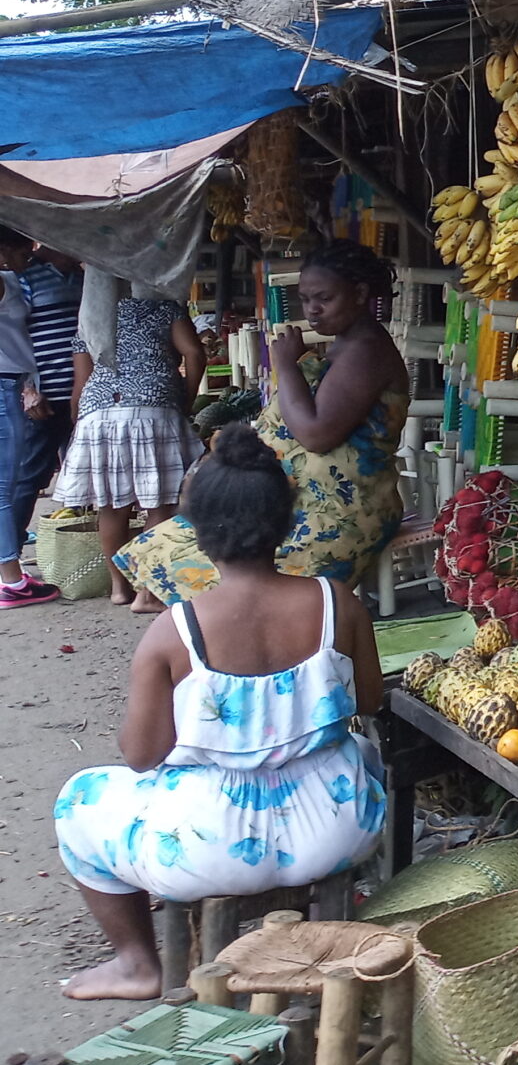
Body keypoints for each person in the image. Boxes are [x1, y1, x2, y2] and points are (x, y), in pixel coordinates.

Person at [52, 423, 386, 1000]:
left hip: (209, 847)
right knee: (357, 749)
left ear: (199, 533)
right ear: (284, 523)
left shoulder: (172, 632)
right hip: (336, 828)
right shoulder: (338, 604)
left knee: (78, 798)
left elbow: (140, 756)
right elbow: (371, 702)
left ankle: (138, 962)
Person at [118, 239, 410, 603]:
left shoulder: (366, 351)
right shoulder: (348, 343)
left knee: (217, 561)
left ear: (359, 293)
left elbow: (316, 435)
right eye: (305, 299)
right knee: (184, 539)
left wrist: (286, 365)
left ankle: (219, 636)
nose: (312, 310)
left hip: (335, 515)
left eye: (324, 298)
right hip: (301, 501)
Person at [53, 291, 205, 611]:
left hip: (98, 413)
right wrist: (185, 402)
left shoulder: (91, 316)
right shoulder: (163, 305)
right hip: (153, 405)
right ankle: (148, 593)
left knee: (110, 506)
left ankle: (119, 589)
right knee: (159, 504)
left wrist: (78, 423)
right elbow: (193, 353)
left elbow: (81, 383)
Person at [0, 226, 60, 608]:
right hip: (4, 385)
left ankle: (10, 572)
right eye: (24, 250)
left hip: (14, 382)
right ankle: (10, 579)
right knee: (6, 485)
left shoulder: (9, 279)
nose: (30, 256)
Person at [16, 247, 83, 535]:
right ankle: (10, 557)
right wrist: (27, 388)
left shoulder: (83, 277)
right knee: (30, 476)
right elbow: (11, 335)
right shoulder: (25, 278)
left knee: (83, 477)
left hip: (88, 394)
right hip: (46, 399)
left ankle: (77, 548)